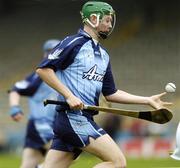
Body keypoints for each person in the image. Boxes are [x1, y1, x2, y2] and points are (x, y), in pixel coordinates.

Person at [36, 1, 172, 168]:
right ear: (93, 18)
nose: (110, 25)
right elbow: (43, 70)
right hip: (73, 118)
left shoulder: (103, 55)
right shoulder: (74, 43)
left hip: (81, 119)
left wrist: (147, 100)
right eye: (106, 20)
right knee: (117, 162)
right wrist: (69, 96)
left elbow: (111, 93)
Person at [8, 39, 60, 168]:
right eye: (49, 52)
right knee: (68, 153)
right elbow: (15, 90)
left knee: (28, 165)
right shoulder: (40, 76)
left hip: (49, 125)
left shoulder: (63, 74)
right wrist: (15, 107)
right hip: (42, 125)